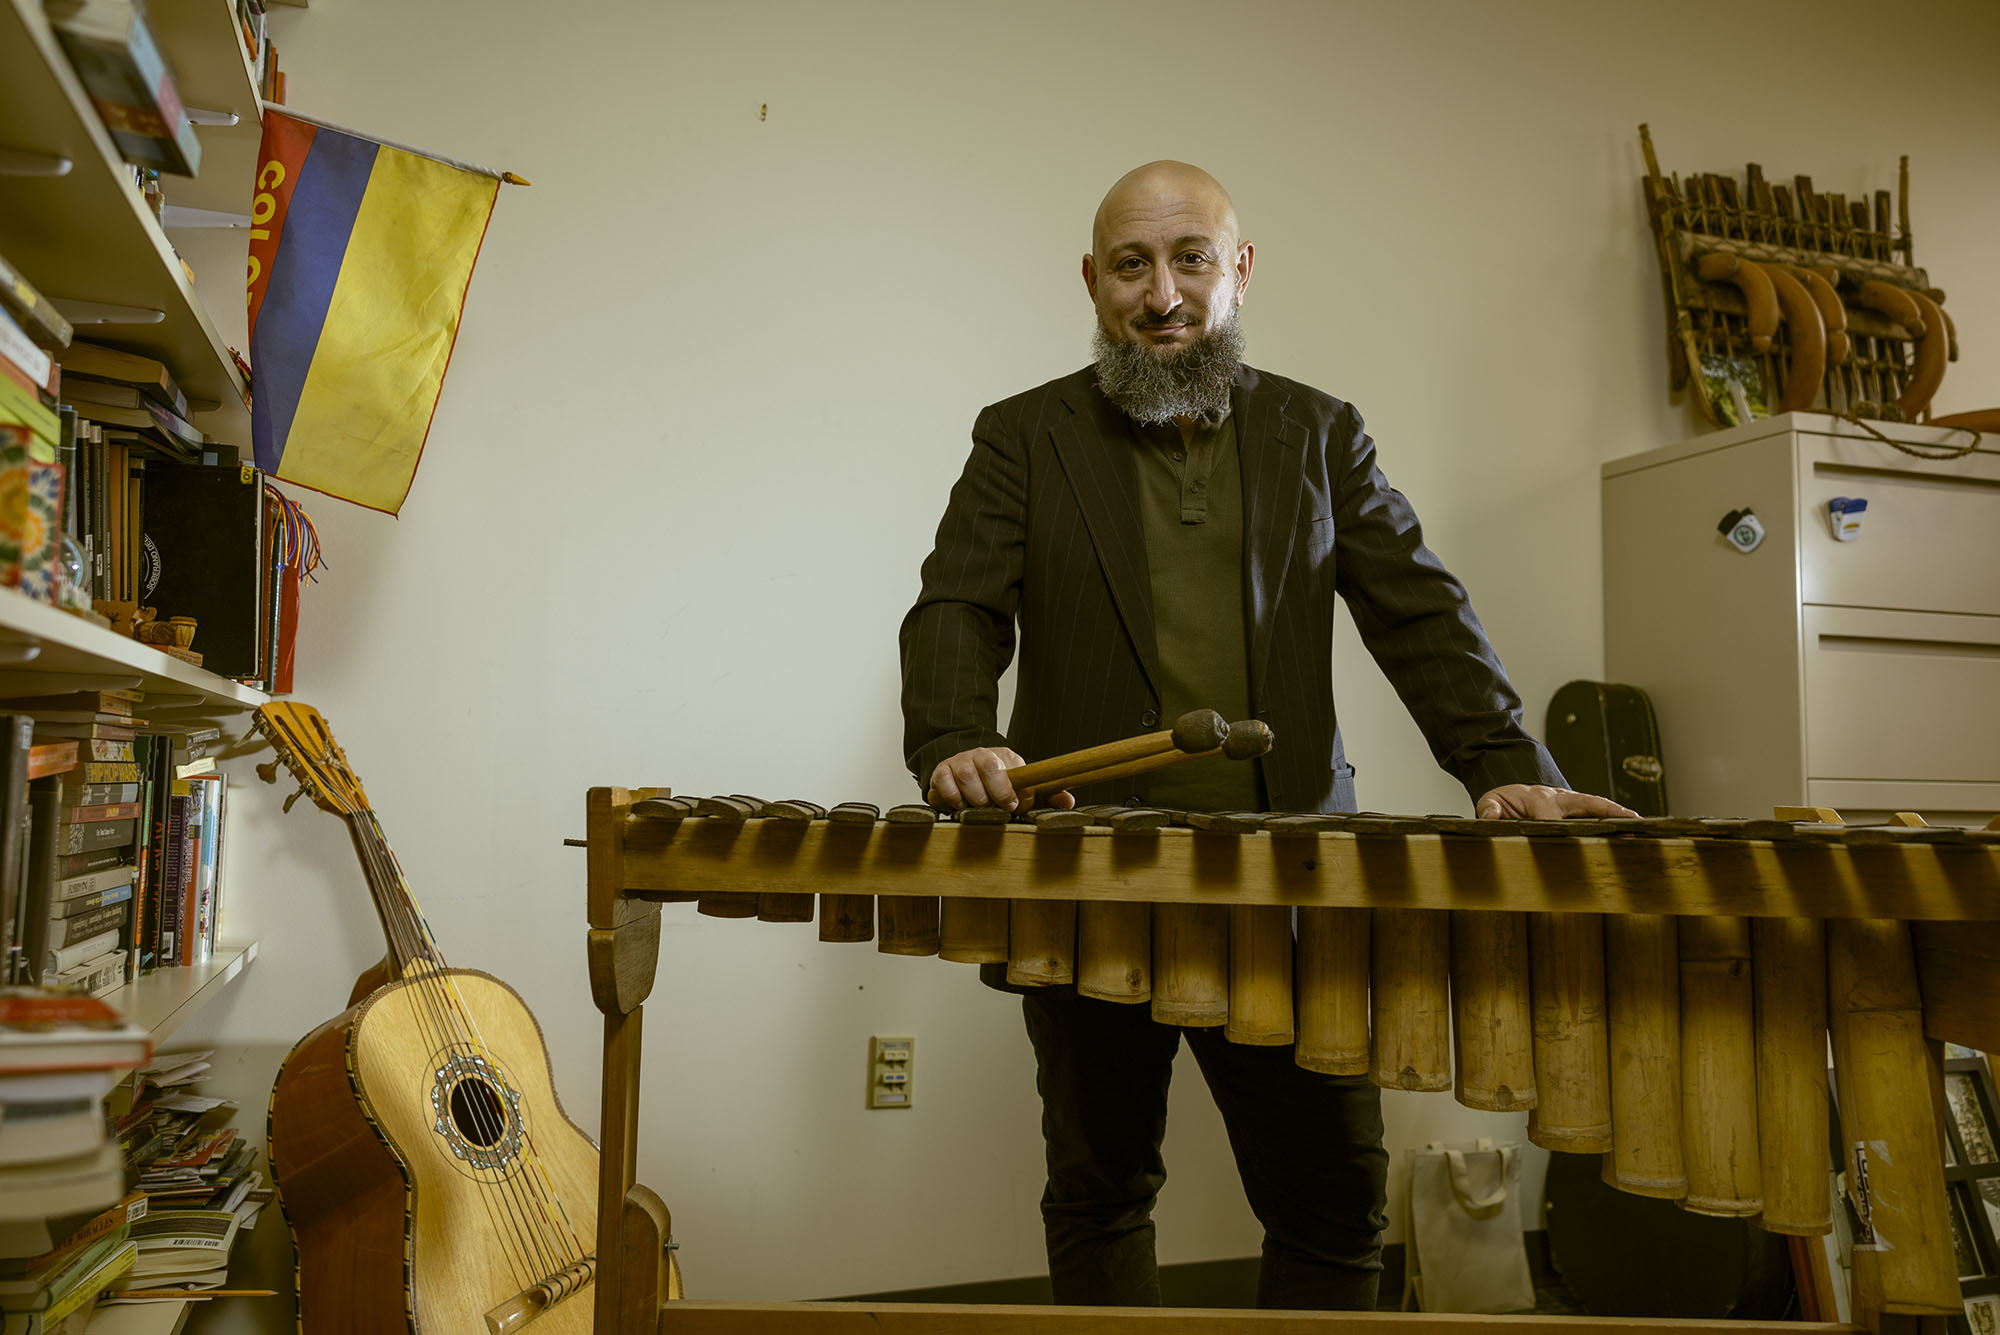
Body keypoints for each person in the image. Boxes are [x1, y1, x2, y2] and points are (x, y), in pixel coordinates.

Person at [898, 160, 1631, 1312]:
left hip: (1288, 883)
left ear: (1237, 271)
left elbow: (1416, 610)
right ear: (1092, 282)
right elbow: (958, 602)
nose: (1162, 294)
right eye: (1130, 265)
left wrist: (1503, 767)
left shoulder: (1318, 432)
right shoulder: (1023, 436)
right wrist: (952, 734)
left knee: (1334, 1205)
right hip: (1090, 870)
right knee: (1099, 1186)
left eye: (1190, 259)